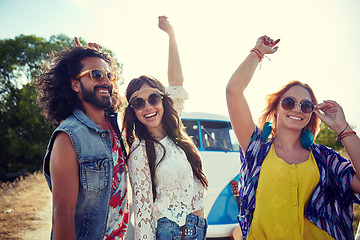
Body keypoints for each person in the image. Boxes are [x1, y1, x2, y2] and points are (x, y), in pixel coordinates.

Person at [226, 35, 360, 239]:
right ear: (276, 109)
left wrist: (343, 128)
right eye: (289, 102)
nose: (297, 109)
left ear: (311, 114)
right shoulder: (256, 148)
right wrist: (258, 52)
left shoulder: (324, 158)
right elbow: (233, 91)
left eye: (305, 105)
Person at [122, 16, 208, 240]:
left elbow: (177, 83)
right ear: (133, 111)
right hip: (171, 234)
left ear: (163, 100)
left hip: (196, 230)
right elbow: (142, 215)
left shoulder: (173, 129)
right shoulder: (140, 153)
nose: (148, 107)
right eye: (138, 103)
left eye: (153, 98)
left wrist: (171, 35)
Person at [36, 41, 129, 239]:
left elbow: (107, 91)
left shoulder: (114, 126)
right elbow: (62, 216)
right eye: (96, 75)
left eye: (109, 76)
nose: (105, 81)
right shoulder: (68, 137)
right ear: (75, 84)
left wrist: (99, 56)